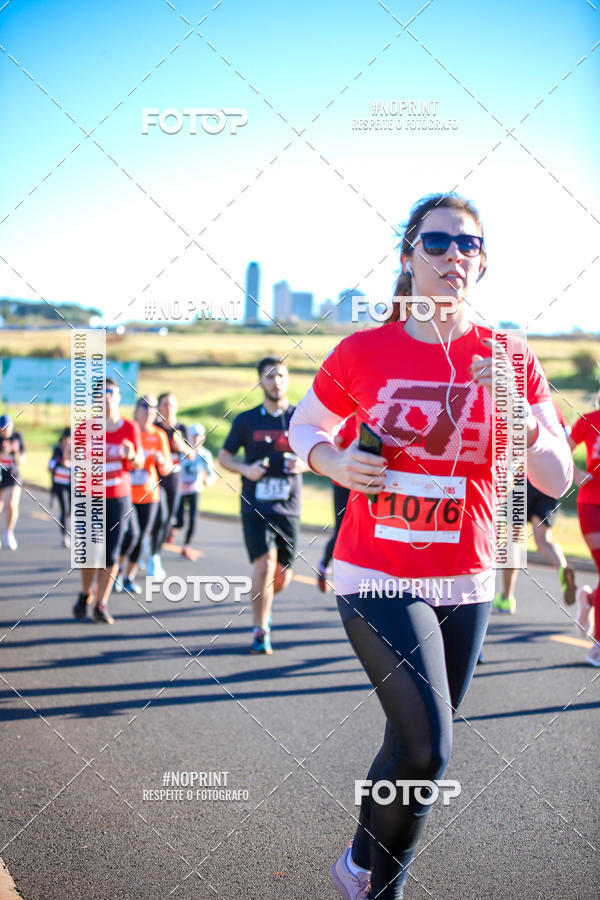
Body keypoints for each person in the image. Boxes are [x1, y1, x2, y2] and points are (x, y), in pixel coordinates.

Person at [289, 193, 573, 899]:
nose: (453, 256)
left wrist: (518, 411)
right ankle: (381, 890)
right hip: (376, 570)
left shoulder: (509, 353)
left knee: (405, 741)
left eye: (467, 245)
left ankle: (357, 861)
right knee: (429, 746)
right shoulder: (363, 349)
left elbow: (557, 477)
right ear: (409, 256)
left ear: (482, 261)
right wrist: (333, 461)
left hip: (466, 577)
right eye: (438, 242)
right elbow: (304, 427)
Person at [218, 358, 308, 654]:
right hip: (255, 505)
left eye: (280, 375)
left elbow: (324, 454)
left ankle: (263, 595)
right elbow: (225, 457)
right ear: (260, 383)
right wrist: (246, 470)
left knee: (281, 575)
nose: (275, 381)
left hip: (288, 507)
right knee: (265, 565)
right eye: (269, 377)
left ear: (288, 379)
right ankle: (261, 629)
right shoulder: (245, 420)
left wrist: (305, 464)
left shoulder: (300, 418)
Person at [493, 403, 576, 613]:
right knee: (543, 540)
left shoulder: (512, 401)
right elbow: (567, 443)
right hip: (549, 478)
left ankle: (507, 597)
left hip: (522, 477)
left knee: (513, 540)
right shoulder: (553, 409)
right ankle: (562, 568)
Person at [72, 378, 143, 624]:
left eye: (110, 392)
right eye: (101, 393)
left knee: (110, 555)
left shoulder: (130, 428)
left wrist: (131, 454)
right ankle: (85, 593)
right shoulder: (84, 429)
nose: (106, 397)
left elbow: (139, 463)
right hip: (92, 497)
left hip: (118, 498)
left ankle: (101, 604)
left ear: (118, 396)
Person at [118, 395, 171, 594]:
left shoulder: (159, 435)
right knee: (129, 535)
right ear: (137, 409)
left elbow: (166, 468)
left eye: (153, 407)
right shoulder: (127, 430)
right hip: (125, 493)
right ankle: (115, 571)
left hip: (149, 494)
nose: (149, 411)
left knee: (141, 537)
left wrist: (160, 460)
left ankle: (128, 578)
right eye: (145, 406)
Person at [568, 390, 600, 667]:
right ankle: (597, 647)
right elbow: (562, 449)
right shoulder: (589, 421)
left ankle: (589, 598)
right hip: (591, 503)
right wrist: (577, 474)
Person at [150, 392, 194, 579]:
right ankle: (153, 556)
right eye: (165, 404)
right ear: (159, 408)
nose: (169, 408)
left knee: (168, 519)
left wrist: (181, 446)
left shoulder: (181, 428)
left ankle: (154, 550)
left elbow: (192, 454)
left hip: (175, 477)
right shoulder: (155, 428)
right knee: (159, 516)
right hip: (156, 477)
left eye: (172, 404)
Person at [317, 416, 356, 592]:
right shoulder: (353, 419)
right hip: (343, 485)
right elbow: (335, 443)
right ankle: (324, 566)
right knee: (341, 531)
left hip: (363, 485)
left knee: (362, 532)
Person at [175, 424, 216, 559]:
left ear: (203, 438)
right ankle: (172, 529)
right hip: (180, 491)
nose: (196, 439)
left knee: (193, 520)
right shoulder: (182, 452)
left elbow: (212, 474)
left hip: (195, 490)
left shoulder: (205, 454)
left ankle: (186, 546)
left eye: (198, 436)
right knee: (179, 521)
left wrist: (208, 481)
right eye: (193, 436)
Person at [0, 413, 26, 550]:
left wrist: (14, 452)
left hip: (13, 476)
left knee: (11, 504)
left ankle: (9, 533)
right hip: (0, 477)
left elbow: (22, 459)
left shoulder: (17, 437)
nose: (6, 430)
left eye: (8, 427)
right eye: (3, 428)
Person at [49, 427, 72, 547]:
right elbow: (51, 463)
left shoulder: (76, 451)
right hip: (59, 484)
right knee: (65, 509)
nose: (68, 441)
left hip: (71, 484)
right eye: (66, 438)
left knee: (71, 511)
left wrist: (71, 466)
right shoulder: (58, 450)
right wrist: (56, 463)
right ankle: (65, 535)